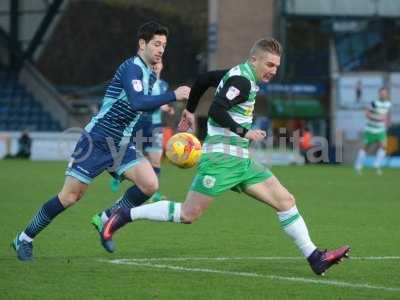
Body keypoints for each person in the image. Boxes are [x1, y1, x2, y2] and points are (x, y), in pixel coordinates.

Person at [101, 38, 350, 276]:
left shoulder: (239, 73)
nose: (273, 71)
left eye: (276, 66)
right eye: (269, 64)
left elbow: (205, 79)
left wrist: (189, 110)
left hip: (240, 160)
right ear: (254, 60)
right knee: (189, 214)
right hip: (221, 158)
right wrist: (245, 131)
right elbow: (217, 109)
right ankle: (124, 215)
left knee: (285, 200)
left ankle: (315, 257)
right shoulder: (241, 81)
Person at [11, 21, 191, 261]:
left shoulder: (148, 73)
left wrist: (180, 108)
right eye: (156, 44)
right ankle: (24, 238)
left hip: (120, 143)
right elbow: (137, 102)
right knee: (70, 197)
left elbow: (139, 108)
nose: (161, 49)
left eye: (164, 45)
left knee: (149, 184)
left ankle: (106, 218)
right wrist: (173, 95)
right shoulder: (132, 68)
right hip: (96, 140)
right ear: (142, 44)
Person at [90, 60, 174, 244]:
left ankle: (151, 191)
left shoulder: (163, 85)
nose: (158, 65)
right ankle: (117, 178)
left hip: (156, 126)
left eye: (161, 64)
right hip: (139, 125)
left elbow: (160, 100)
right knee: (125, 157)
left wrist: (168, 107)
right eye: (156, 63)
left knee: (156, 160)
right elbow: (141, 101)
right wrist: (163, 103)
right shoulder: (142, 80)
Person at [354, 87, 391, 175]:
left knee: (384, 146)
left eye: (384, 93)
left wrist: (387, 121)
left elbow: (386, 115)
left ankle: (376, 166)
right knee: (365, 148)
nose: (383, 95)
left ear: (387, 94)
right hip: (370, 129)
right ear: (379, 94)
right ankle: (358, 167)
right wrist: (378, 118)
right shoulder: (374, 103)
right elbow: (367, 114)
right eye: (381, 93)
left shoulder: (388, 104)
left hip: (380, 130)